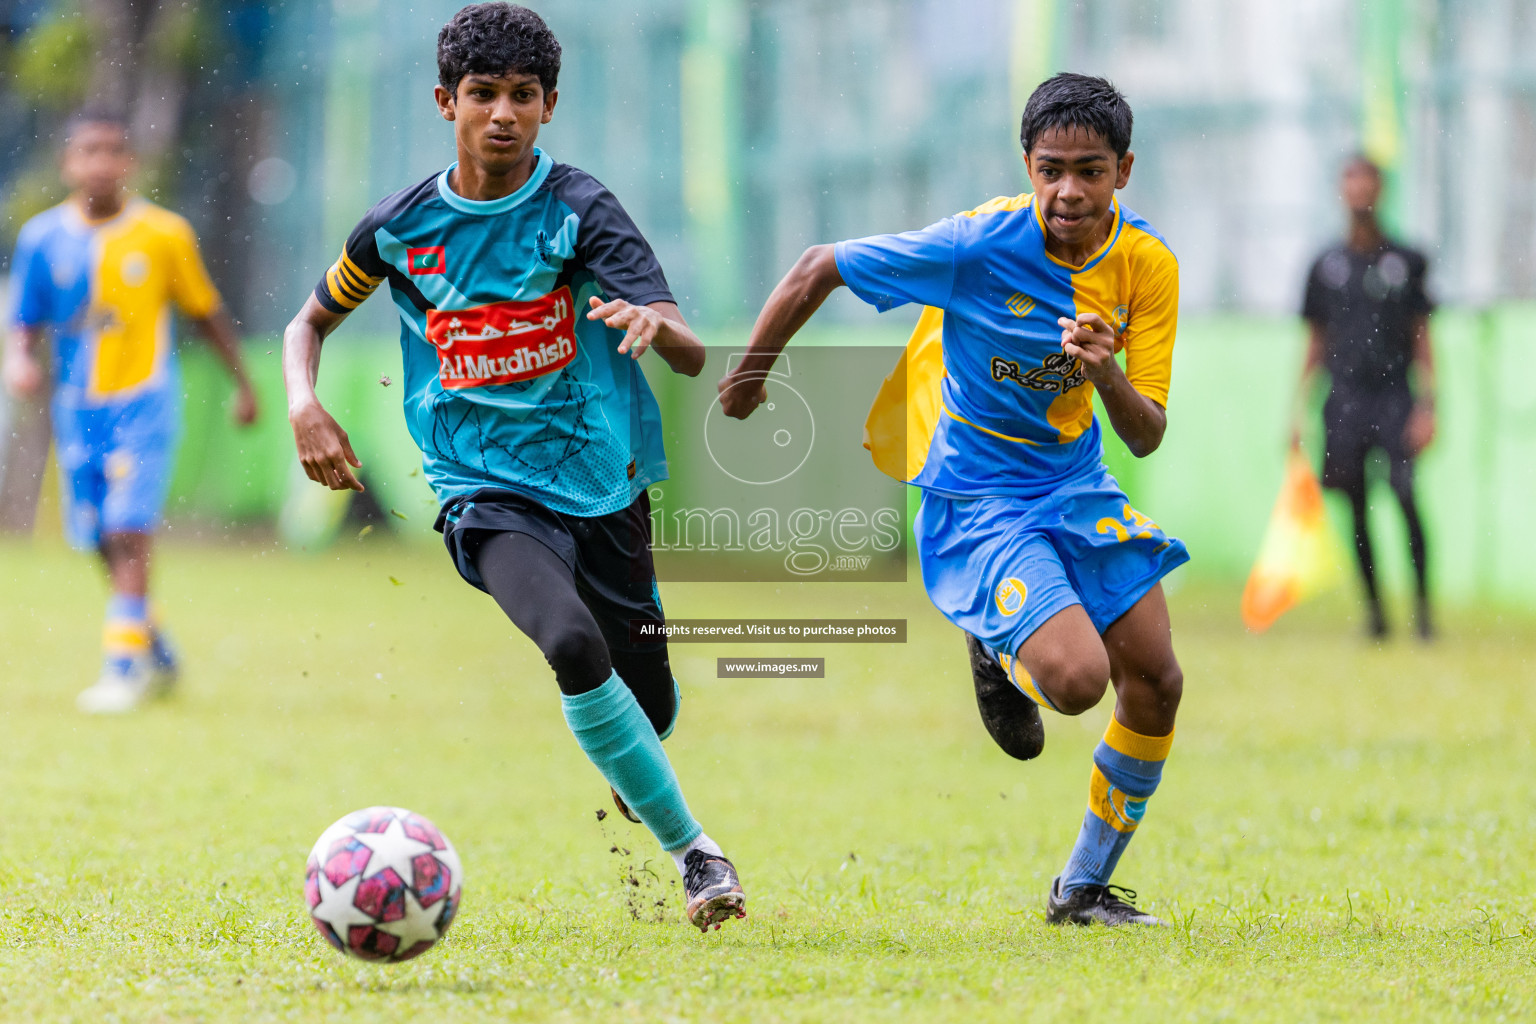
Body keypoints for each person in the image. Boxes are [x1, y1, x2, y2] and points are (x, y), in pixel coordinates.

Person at [280, 3, 746, 934]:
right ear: (445, 101)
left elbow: (693, 354)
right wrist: (304, 402)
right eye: (483, 94)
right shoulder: (402, 228)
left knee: (647, 702)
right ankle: (698, 854)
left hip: (602, 484)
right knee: (570, 645)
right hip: (481, 487)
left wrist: (660, 330)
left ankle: (639, 759)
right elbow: (308, 324)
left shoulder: (579, 211)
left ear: (550, 106)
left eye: (522, 96)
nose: (502, 113)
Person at [720, 73, 1186, 926]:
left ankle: (1081, 889)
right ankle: (992, 641)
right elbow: (816, 266)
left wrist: (1103, 369)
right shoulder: (980, 244)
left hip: (1076, 484)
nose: (1068, 192)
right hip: (979, 497)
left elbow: (1147, 432)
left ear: (1124, 170)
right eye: (1051, 170)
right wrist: (750, 379)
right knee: (1080, 682)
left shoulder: (1147, 266)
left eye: (1090, 171)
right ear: (1027, 165)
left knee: (1155, 681)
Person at [3, 108, 258, 714]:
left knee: (126, 528)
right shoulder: (42, 237)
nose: (101, 163)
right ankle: (153, 644)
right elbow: (25, 321)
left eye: (112, 151)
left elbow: (205, 311)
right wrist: (19, 360)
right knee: (94, 536)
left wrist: (245, 385)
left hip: (143, 405)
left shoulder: (165, 233)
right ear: (69, 162)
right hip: (75, 410)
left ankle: (122, 669)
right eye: (88, 151)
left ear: (129, 163)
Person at [1298, 155, 1436, 639]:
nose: (1359, 191)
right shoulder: (1326, 265)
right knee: (1354, 504)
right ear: (1342, 190)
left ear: (1380, 190)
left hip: (1395, 395)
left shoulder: (1407, 260)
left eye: (1367, 181)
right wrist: (1297, 410)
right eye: (1350, 181)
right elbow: (1315, 341)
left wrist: (1429, 404)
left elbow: (1422, 336)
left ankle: (1423, 611)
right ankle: (1376, 613)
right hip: (1345, 398)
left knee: (1403, 493)